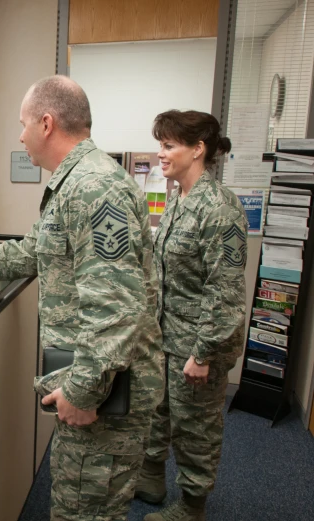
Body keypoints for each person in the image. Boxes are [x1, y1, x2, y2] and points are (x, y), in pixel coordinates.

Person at [0, 76, 165, 521]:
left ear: (47, 123)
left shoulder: (93, 188)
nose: (20, 135)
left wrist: (83, 392)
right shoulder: (72, 184)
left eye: (23, 123)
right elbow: (28, 253)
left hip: (104, 391)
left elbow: (116, 309)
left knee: (83, 513)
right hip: (98, 381)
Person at [136, 111, 247, 521]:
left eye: (169, 145)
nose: (160, 153)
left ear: (198, 149)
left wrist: (203, 355)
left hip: (198, 344)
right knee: (158, 412)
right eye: (160, 144)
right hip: (167, 335)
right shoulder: (179, 198)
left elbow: (225, 292)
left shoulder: (219, 209)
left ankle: (191, 506)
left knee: (195, 428)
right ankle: (150, 479)